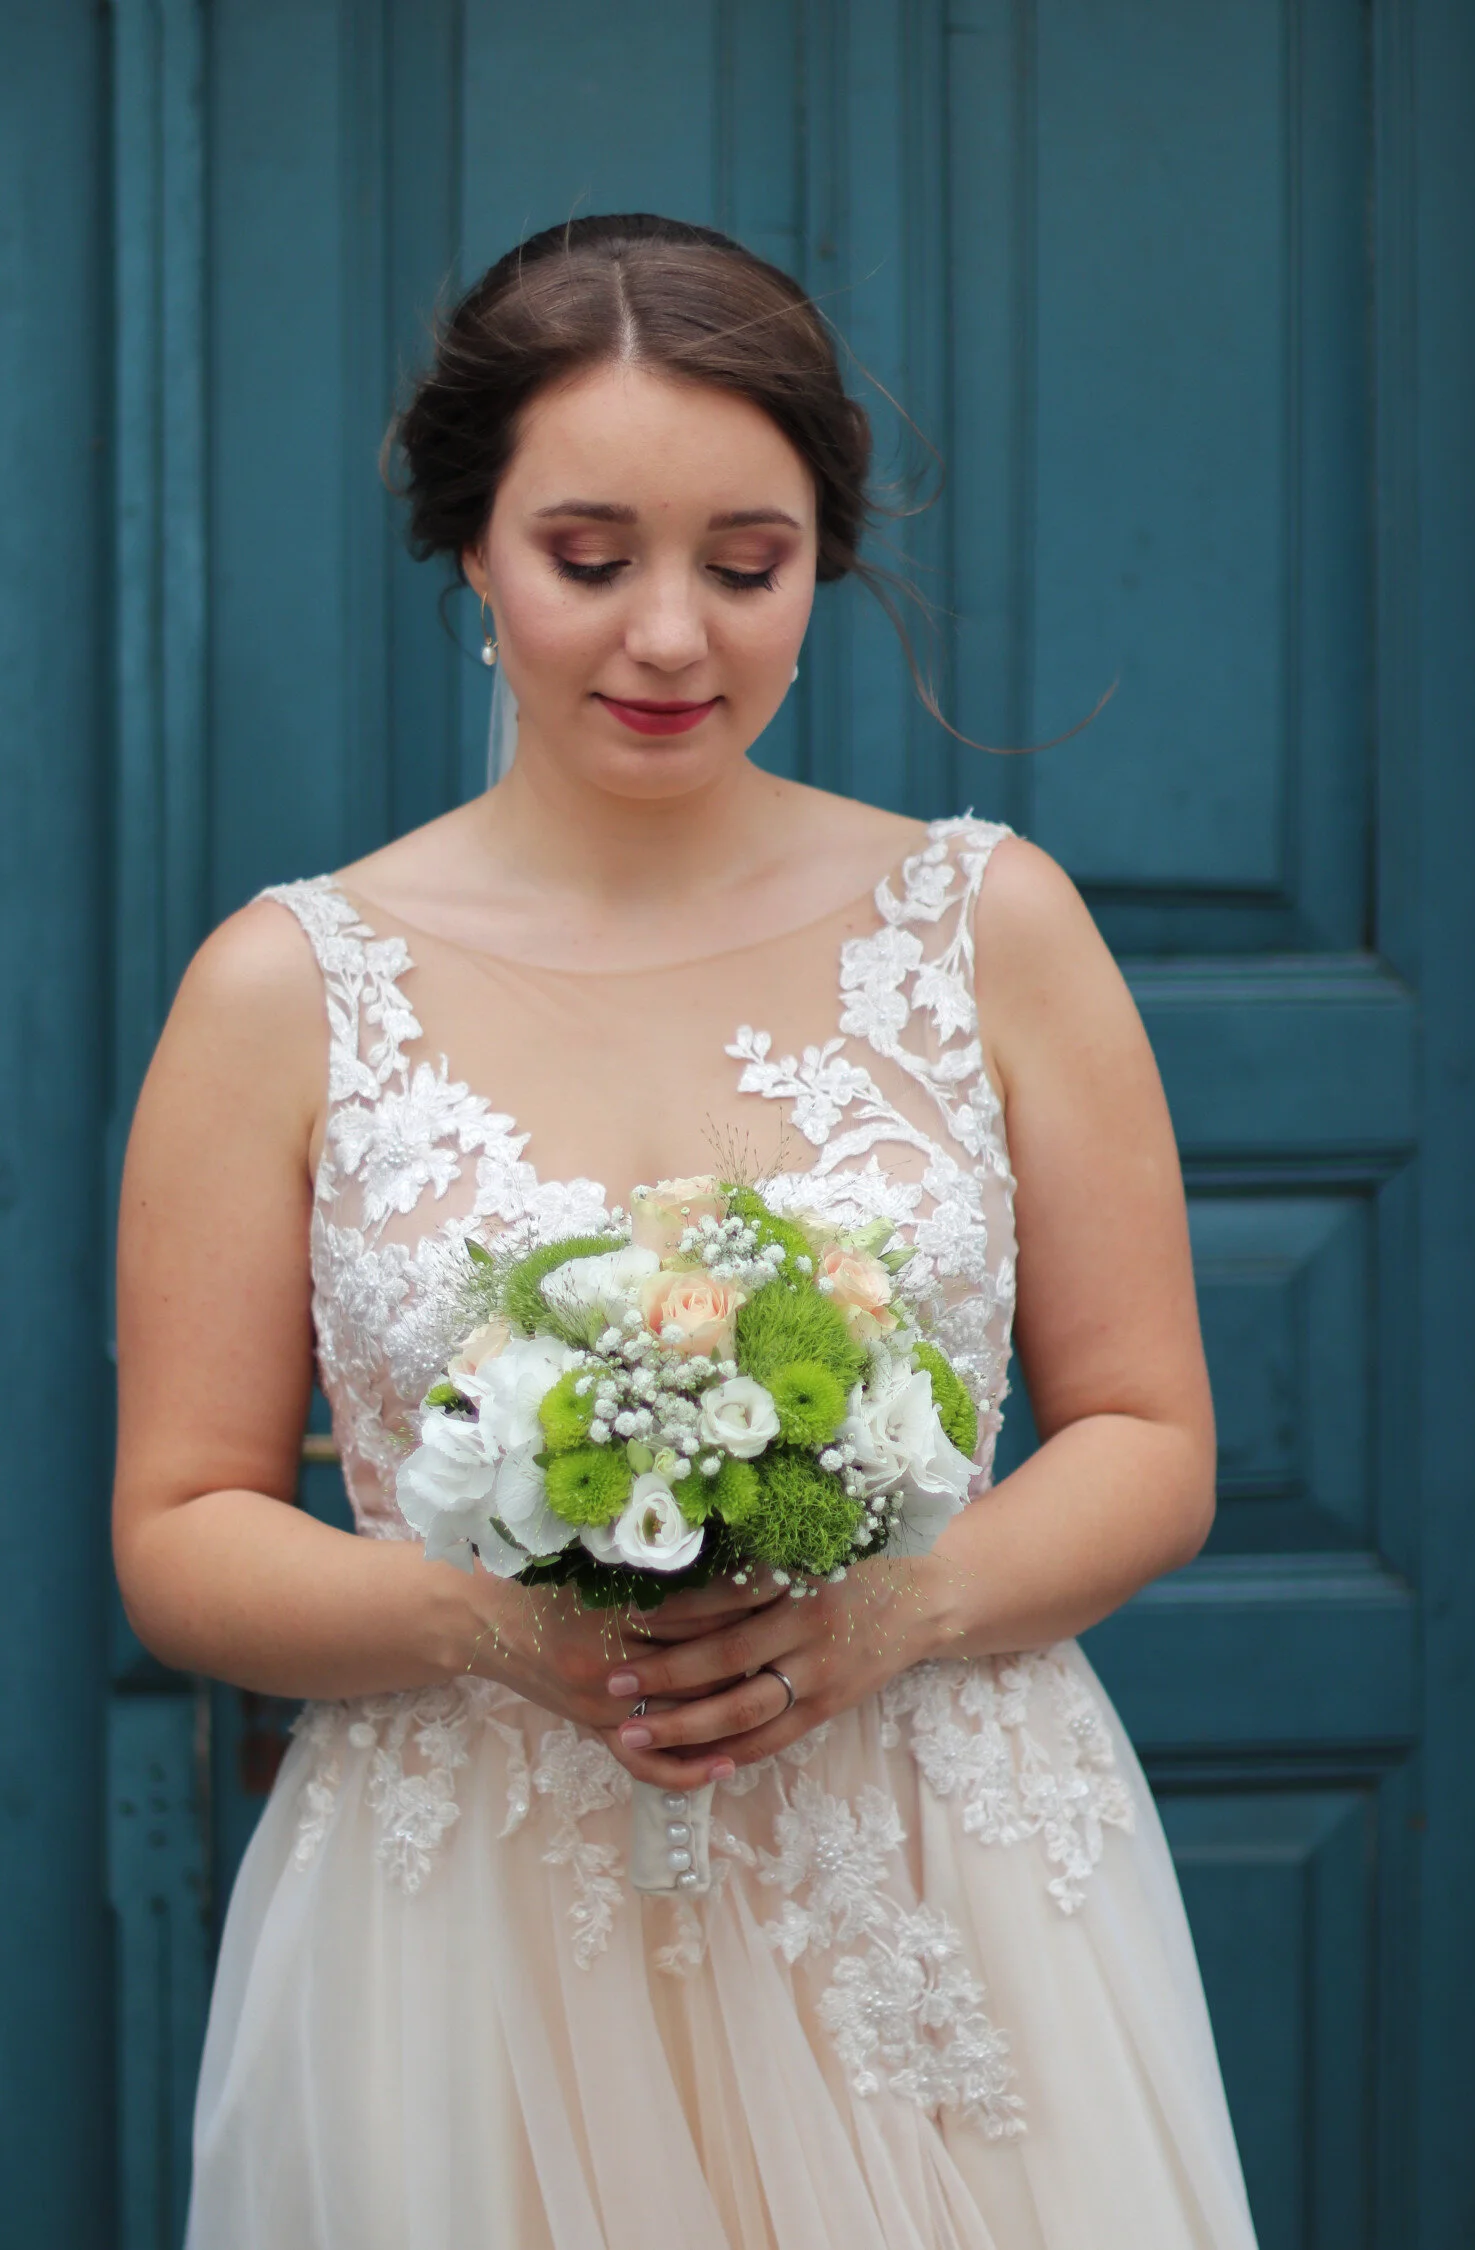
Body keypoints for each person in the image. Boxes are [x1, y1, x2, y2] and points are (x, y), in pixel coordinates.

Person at [113, 214, 1259, 2248]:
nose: (671, 638)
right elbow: (183, 1532)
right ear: (469, 547)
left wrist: (881, 1617)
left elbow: (1153, 1442)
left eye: (747, 566)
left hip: (938, 1893)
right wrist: (510, 1634)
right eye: (589, 558)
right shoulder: (283, 988)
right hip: (468, 1923)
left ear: (820, 560)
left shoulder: (990, 929)